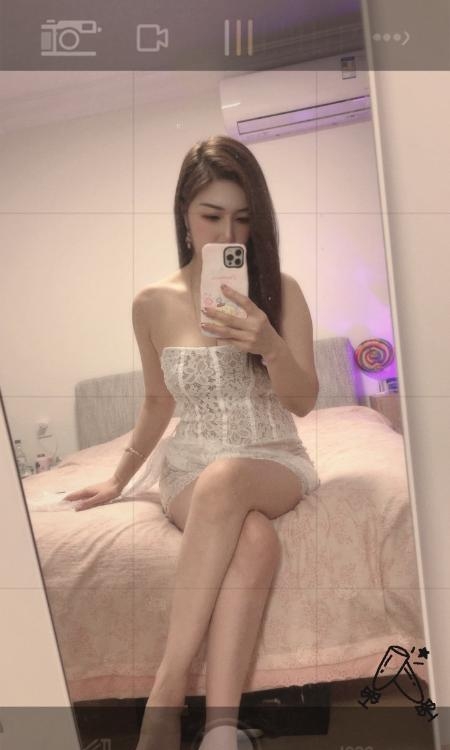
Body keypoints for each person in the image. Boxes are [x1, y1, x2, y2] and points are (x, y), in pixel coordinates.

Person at [64, 135, 320, 750]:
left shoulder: (282, 290)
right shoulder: (152, 304)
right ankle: (222, 730)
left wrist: (270, 344)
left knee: (228, 477)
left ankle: (166, 692)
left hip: (272, 458)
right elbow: (158, 401)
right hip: (189, 467)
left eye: (243, 218)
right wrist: (119, 478)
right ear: (184, 214)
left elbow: (304, 401)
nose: (228, 234)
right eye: (212, 216)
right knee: (254, 541)